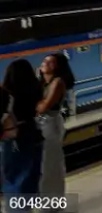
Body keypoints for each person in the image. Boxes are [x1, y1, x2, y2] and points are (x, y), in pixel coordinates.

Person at [1, 60, 45, 211]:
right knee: (31, 176)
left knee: (13, 178)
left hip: (14, 137)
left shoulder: (6, 94)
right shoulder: (36, 89)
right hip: (33, 133)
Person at [35, 53, 74, 207]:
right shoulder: (41, 83)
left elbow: (44, 107)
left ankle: (52, 203)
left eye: (51, 62)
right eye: (44, 61)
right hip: (41, 124)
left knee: (50, 165)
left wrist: (34, 104)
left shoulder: (57, 82)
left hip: (50, 124)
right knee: (43, 165)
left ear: (58, 67)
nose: (45, 64)